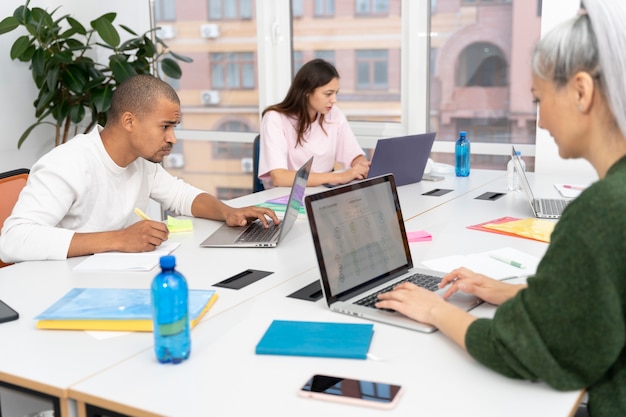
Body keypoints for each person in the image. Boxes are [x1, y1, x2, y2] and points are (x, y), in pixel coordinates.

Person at [376, 2, 626, 416]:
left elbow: (525, 347)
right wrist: (513, 292)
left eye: (539, 99)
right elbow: (599, 301)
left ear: (581, 91)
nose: (540, 121)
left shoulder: (603, 210)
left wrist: (435, 310)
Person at [0, 74, 279, 263]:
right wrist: (119, 239)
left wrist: (228, 212)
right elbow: (13, 240)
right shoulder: (67, 163)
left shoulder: (140, 162)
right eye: (165, 126)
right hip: (59, 292)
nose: (172, 138)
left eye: (174, 127)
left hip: (110, 281)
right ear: (129, 121)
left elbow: (181, 195)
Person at [258, 58, 370, 188]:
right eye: (328, 94)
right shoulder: (275, 118)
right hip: (285, 196)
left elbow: (354, 156)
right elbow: (279, 177)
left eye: (336, 93)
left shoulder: (333, 114)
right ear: (306, 92)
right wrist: (339, 177)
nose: (334, 100)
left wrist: (362, 167)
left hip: (321, 192)